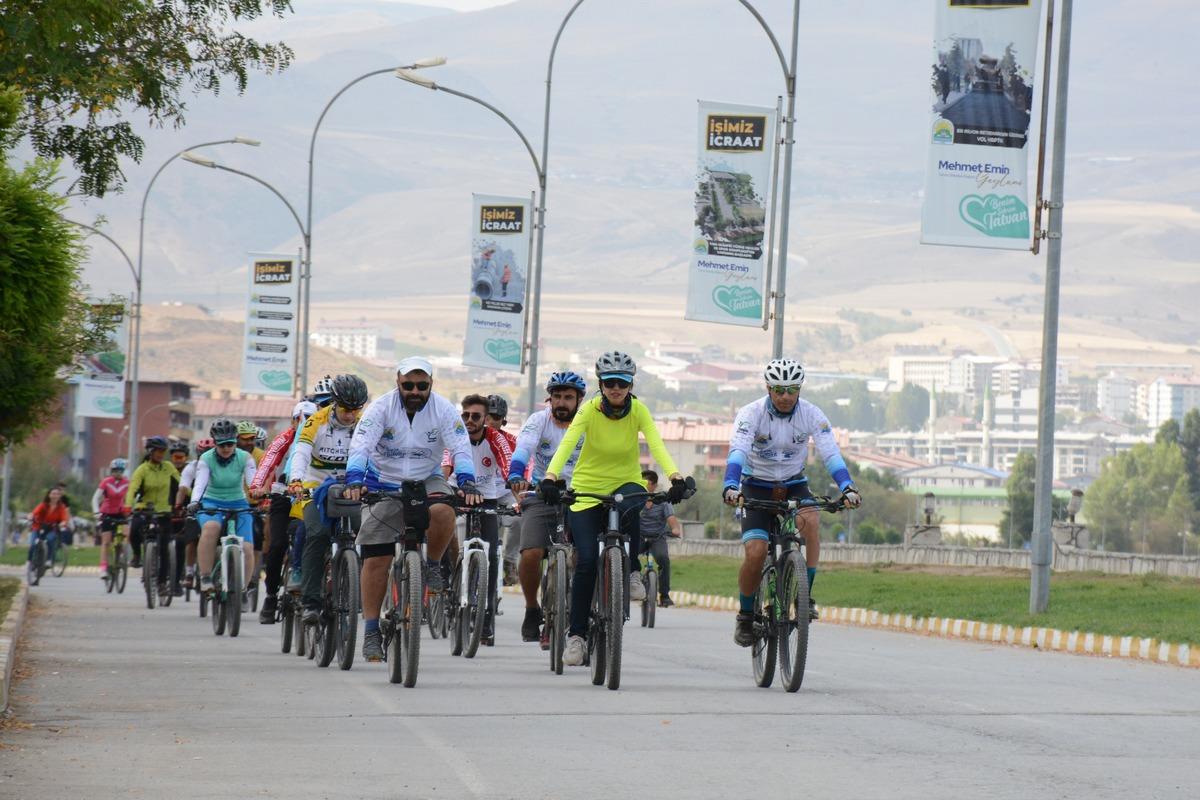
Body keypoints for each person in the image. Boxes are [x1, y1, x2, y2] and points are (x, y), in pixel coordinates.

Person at [541, 351, 689, 667]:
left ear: (631, 383)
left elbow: (657, 444)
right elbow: (567, 445)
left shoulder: (639, 410)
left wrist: (674, 476)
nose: (616, 388)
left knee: (635, 500)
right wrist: (551, 477)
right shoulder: (589, 411)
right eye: (610, 383)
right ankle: (577, 637)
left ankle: (632, 570)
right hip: (587, 489)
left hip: (625, 483)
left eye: (622, 382)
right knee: (586, 561)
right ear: (601, 384)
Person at [343, 357, 480, 662]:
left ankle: (431, 565)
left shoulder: (443, 408)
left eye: (422, 385)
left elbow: (460, 446)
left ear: (431, 384)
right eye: (408, 385)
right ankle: (371, 630)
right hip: (383, 480)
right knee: (377, 559)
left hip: (426, 479)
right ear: (397, 382)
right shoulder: (380, 408)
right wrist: (354, 478)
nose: (415, 391)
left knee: (445, 510)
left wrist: (468, 481)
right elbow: (361, 445)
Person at [722, 358, 862, 647]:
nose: (785, 397)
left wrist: (847, 486)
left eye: (792, 390)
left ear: (799, 389)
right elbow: (738, 451)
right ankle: (746, 615)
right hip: (755, 486)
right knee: (756, 551)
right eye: (779, 390)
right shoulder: (751, 414)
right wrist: (731, 485)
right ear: (768, 388)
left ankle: (804, 597)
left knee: (811, 520)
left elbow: (830, 452)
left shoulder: (812, 414)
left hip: (793, 484)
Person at [506, 371, 587, 644]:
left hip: (583, 493)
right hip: (543, 491)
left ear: (579, 400)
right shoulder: (538, 421)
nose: (562, 402)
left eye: (568, 397)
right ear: (549, 399)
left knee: (585, 555)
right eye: (557, 397)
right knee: (530, 553)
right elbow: (523, 448)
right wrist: (516, 474)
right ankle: (532, 607)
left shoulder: (590, 423)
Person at [289, 376, 367, 627]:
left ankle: (358, 587)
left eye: (356, 409)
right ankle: (311, 602)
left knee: (366, 533)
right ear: (334, 403)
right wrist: (296, 481)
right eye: (345, 409)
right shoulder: (316, 421)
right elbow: (301, 452)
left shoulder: (364, 425)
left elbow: (375, 455)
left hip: (350, 486)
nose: (350, 415)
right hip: (315, 485)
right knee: (318, 533)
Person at [454, 394, 512, 646]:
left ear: (486, 419)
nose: (469, 420)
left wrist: (520, 493)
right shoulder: (455, 435)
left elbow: (511, 467)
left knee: (491, 557)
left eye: (475, 416)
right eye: (465, 415)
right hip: (457, 494)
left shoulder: (497, 438)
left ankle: (486, 618)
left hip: (489, 498)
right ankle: (448, 585)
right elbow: (446, 462)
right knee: (452, 546)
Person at [253, 399, 318, 623]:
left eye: (309, 419)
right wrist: (257, 487)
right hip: (282, 494)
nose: (304, 423)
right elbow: (268, 461)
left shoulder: (320, 436)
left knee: (312, 536)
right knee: (277, 544)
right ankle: (271, 595)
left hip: (308, 494)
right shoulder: (285, 437)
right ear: (292, 420)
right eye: (299, 419)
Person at [191, 418, 256, 595]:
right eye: (222, 445)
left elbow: (254, 483)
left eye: (230, 444)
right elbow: (200, 484)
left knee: (248, 548)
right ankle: (205, 577)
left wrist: (261, 497)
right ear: (215, 443)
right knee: (211, 528)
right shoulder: (206, 458)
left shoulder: (245, 458)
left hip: (239, 503)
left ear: (236, 441)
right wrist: (195, 502)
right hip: (212, 502)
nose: (226, 448)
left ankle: (243, 588)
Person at [125, 436, 180, 582]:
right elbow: (132, 489)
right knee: (134, 531)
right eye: (158, 451)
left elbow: (183, 485)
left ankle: (162, 583)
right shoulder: (142, 470)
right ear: (150, 451)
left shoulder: (168, 467)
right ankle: (137, 555)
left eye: (163, 451)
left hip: (164, 511)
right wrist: (128, 505)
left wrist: (197, 498)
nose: (161, 454)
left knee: (164, 546)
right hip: (144, 509)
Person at [485, 394, 520, 585]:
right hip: (479, 493)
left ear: (503, 420)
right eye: (487, 417)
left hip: (505, 493)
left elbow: (524, 465)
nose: (490, 422)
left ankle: (509, 562)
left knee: (518, 518)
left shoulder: (513, 442)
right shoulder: (469, 439)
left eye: (496, 418)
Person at [639, 469, 682, 607]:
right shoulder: (636, 499)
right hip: (639, 537)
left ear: (654, 485)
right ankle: (628, 587)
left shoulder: (662, 500)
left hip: (658, 537)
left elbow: (671, 518)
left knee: (663, 559)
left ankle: (664, 595)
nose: (644, 486)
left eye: (647, 483)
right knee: (627, 557)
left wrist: (675, 529)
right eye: (641, 483)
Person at [175, 439, 214, 590]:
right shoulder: (191, 467)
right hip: (195, 506)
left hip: (216, 504)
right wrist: (179, 505)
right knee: (191, 538)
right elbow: (183, 488)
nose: (205, 457)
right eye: (202, 454)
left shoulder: (220, 465)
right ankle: (190, 572)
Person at [92, 459, 130, 575]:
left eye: (120, 470)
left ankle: (123, 554)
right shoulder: (106, 482)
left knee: (127, 533)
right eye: (115, 470)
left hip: (120, 512)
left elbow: (133, 496)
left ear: (123, 471)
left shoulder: (127, 483)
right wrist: (97, 513)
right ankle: (103, 567)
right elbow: (95, 498)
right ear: (111, 470)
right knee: (106, 542)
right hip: (107, 513)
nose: (117, 473)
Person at [28, 486, 71, 572]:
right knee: (33, 544)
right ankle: (29, 561)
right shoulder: (43, 505)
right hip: (38, 527)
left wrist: (62, 524)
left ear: (60, 496)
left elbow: (64, 519)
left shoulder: (61, 507)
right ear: (49, 495)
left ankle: (49, 560)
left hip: (52, 528)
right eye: (53, 494)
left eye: (57, 494)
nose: (55, 496)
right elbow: (33, 513)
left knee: (50, 539)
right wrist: (30, 517)